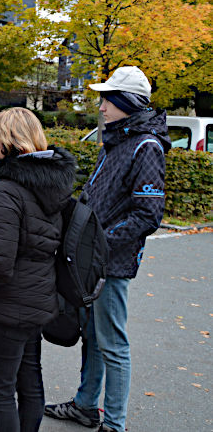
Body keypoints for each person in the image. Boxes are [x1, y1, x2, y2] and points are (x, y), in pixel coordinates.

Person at [44, 66, 169, 432]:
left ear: (125, 102)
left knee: (112, 344)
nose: (100, 106)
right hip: (95, 259)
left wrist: (97, 243)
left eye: (107, 99)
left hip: (110, 263)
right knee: (95, 338)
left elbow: (148, 214)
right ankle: (86, 406)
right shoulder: (121, 139)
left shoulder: (144, 145)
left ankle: (114, 423)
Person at [0, 107, 76, 432]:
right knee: (29, 381)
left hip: (6, 308)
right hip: (38, 300)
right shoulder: (49, 187)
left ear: (7, 142)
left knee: (0, 391)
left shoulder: (5, 192)